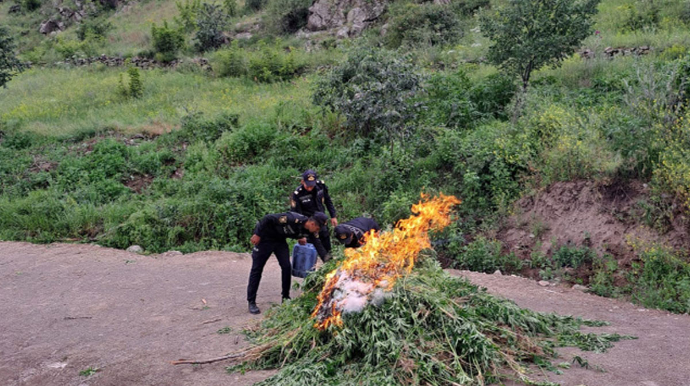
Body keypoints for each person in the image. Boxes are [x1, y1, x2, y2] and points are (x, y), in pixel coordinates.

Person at [247, 211, 328, 314]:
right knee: (257, 269)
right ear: (312, 224)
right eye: (318, 228)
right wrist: (257, 234)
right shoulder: (291, 218)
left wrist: (328, 262)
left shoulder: (310, 231)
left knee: (286, 267)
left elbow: (319, 246)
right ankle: (251, 301)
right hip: (265, 238)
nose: (318, 231)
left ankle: (285, 297)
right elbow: (268, 218)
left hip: (279, 241)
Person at [290, 169, 337, 261]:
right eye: (307, 186)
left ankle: (330, 268)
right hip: (309, 225)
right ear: (302, 181)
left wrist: (333, 216)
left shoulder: (321, 186)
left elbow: (328, 200)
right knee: (311, 252)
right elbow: (296, 215)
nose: (310, 188)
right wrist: (300, 235)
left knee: (327, 247)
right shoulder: (298, 194)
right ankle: (311, 272)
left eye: (312, 185)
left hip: (321, 221)